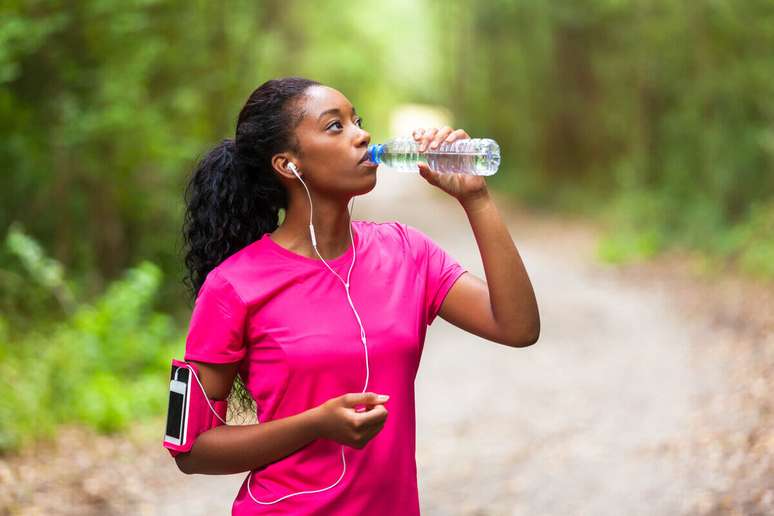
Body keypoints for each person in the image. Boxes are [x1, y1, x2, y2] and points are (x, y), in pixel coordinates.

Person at [174, 76, 540, 515]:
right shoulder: (232, 286)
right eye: (335, 126)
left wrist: (476, 199)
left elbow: (517, 327)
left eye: (358, 121)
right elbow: (191, 450)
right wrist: (315, 425)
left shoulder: (407, 252)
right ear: (288, 164)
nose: (362, 134)